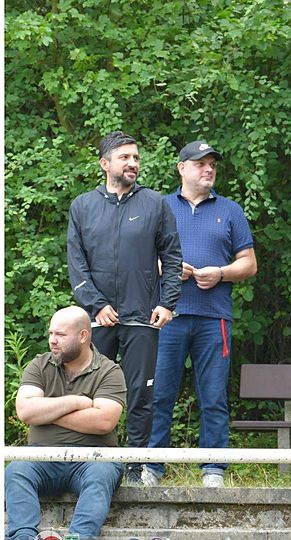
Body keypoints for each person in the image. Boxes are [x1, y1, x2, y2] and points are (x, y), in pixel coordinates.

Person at [67, 130, 182, 485]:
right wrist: (96, 304)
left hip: (142, 316)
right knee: (88, 393)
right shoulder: (82, 206)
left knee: (141, 394)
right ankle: (88, 464)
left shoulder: (155, 203)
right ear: (105, 164)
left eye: (135, 158)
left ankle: (134, 468)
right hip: (98, 320)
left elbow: (172, 258)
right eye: (124, 158)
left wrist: (167, 302)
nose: (132, 163)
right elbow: (76, 265)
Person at [142, 140, 257, 488]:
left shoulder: (230, 209)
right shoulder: (159, 206)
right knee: (159, 393)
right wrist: (167, 267)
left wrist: (221, 273)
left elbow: (249, 264)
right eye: (200, 164)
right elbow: (139, 257)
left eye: (212, 165)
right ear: (182, 168)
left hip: (214, 317)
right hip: (167, 315)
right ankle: (151, 466)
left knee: (213, 395)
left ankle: (213, 468)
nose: (208, 169)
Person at [5, 306, 127, 539]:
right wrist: (76, 402)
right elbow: (26, 411)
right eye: (51, 333)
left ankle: (79, 537)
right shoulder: (39, 365)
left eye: (60, 335)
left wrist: (47, 412)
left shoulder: (109, 371)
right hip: (42, 457)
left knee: (101, 474)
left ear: (83, 336)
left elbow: (104, 421)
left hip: (94, 458)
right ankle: (22, 536)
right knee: (16, 470)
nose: (52, 340)